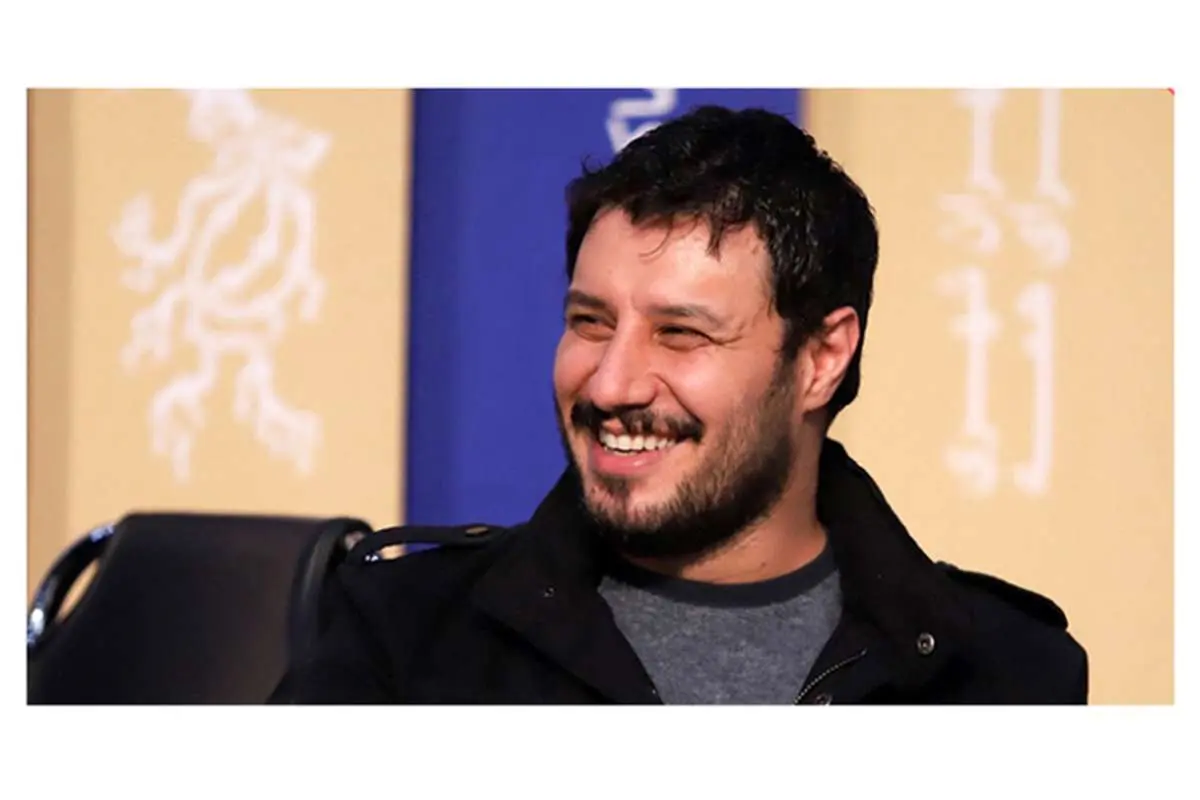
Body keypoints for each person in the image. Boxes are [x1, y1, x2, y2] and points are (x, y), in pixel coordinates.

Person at [271, 105, 1088, 705]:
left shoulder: (1009, 674)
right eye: (590, 323)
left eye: (681, 333)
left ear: (821, 359)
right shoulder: (399, 638)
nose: (610, 384)